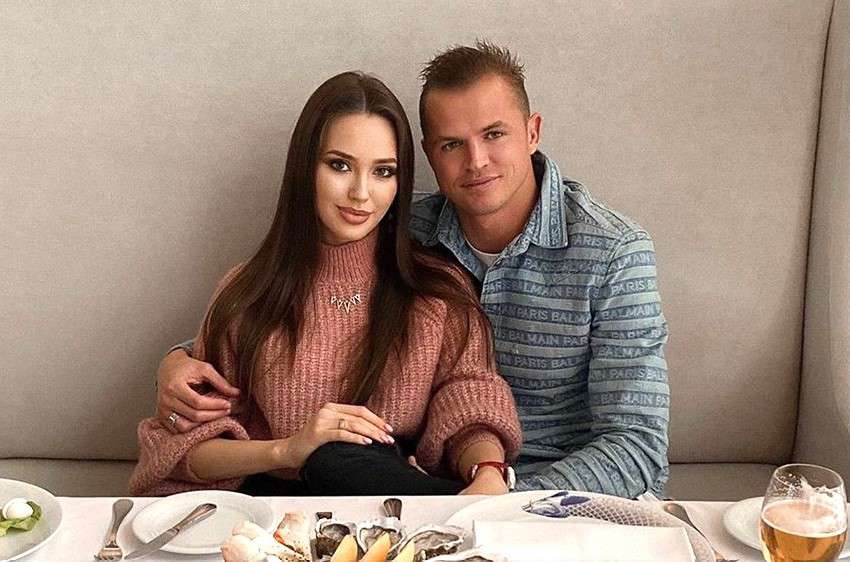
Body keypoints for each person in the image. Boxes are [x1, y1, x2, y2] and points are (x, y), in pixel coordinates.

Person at [155, 42, 669, 498]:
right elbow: (265, 318)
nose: (476, 161)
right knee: (337, 461)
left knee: (341, 462)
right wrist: (178, 360)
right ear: (428, 156)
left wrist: (499, 494)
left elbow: (637, 444)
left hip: (550, 491)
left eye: (494, 134)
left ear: (532, 131)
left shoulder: (614, 252)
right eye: (452, 144)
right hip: (421, 490)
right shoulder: (402, 228)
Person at [129, 71, 522, 497]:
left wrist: (488, 472)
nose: (361, 193)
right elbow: (182, 450)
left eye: (383, 171)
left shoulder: (436, 292)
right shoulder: (247, 292)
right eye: (339, 165)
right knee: (330, 457)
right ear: (306, 168)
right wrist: (289, 450)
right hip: (272, 512)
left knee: (347, 458)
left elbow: (469, 402)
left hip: (393, 510)